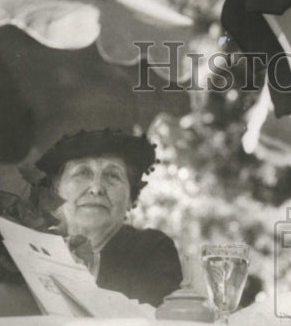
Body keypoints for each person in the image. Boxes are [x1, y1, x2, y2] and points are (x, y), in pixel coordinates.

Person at [35, 129, 182, 307]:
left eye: (112, 175)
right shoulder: (33, 246)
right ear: (56, 190)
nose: (96, 188)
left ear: (131, 198)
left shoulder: (151, 249)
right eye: (82, 173)